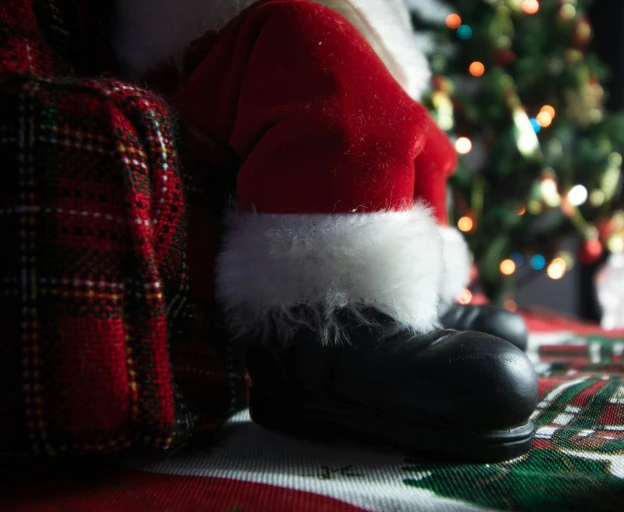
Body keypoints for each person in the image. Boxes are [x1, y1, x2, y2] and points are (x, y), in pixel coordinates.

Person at [0, 0, 537, 462]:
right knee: (309, 50)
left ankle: (417, 298)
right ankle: (328, 320)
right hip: (197, 51)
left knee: (423, 138)